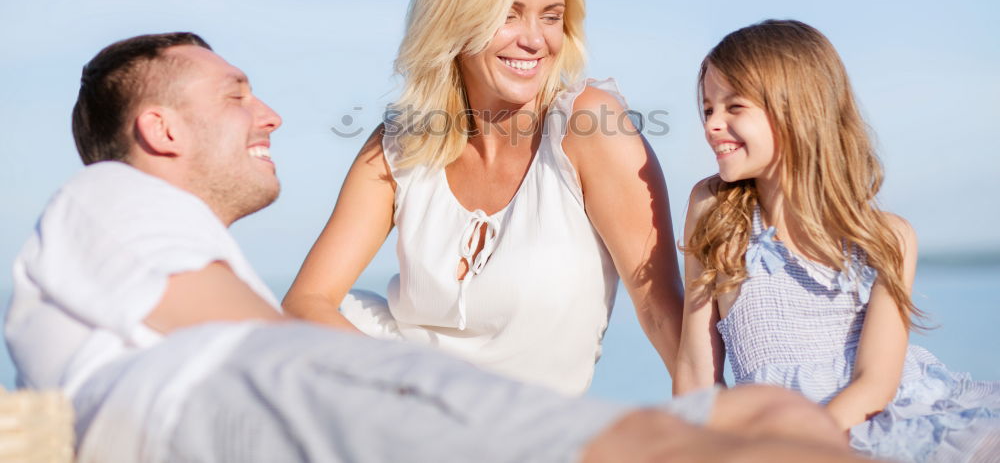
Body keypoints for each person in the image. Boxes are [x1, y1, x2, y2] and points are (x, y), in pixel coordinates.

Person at [5, 32, 859, 463]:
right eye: (236, 95)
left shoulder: (157, 246)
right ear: (158, 128)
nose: (269, 113)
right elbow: (248, 341)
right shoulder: (103, 196)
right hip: (273, 396)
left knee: (773, 414)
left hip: (308, 384)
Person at [283, 0, 683, 396]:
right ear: (456, 17)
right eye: (508, 14)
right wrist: (408, 400)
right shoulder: (402, 142)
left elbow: (662, 313)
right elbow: (306, 302)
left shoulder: (591, 128)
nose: (534, 40)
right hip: (394, 409)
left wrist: (720, 427)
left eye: (550, 16)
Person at [674, 19, 1000, 462]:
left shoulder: (888, 238)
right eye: (708, 108)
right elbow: (696, 370)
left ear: (796, 109)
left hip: (868, 424)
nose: (713, 124)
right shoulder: (714, 211)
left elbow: (876, 381)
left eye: (734, 107)